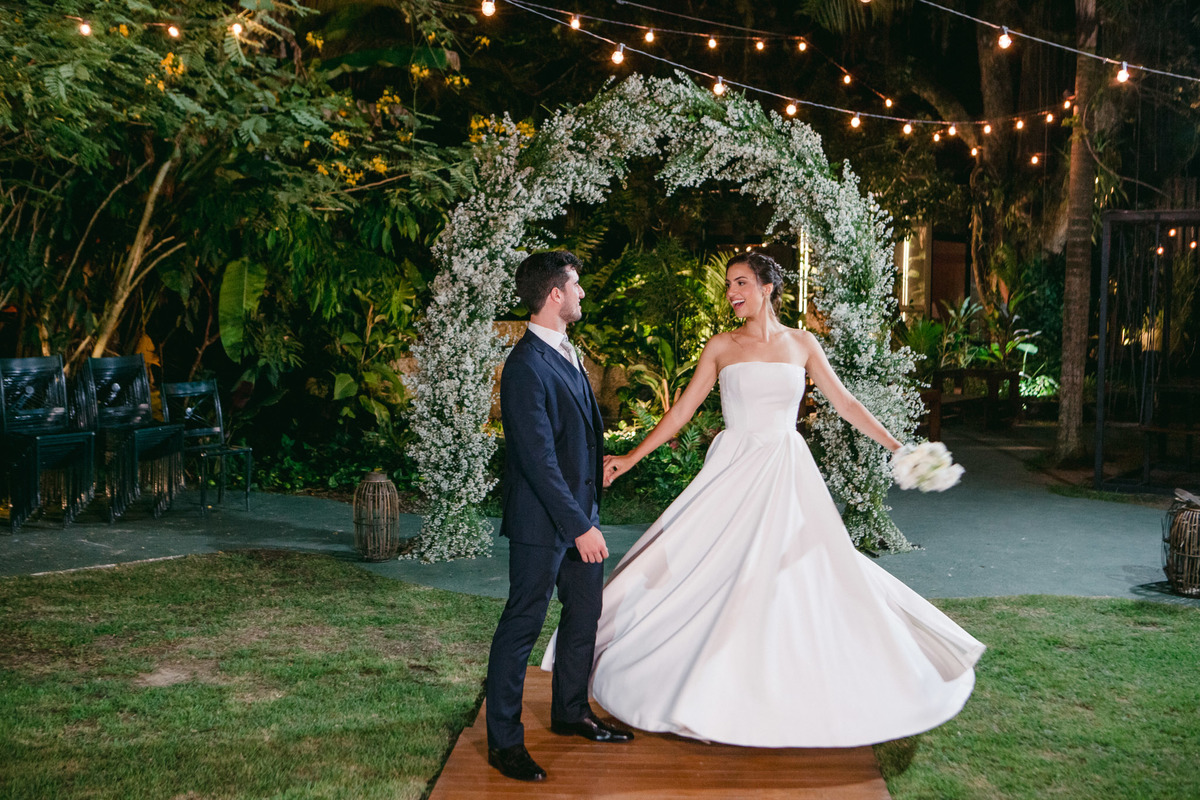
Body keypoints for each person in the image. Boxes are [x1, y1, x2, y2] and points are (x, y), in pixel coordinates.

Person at [545, 251, 985, 748]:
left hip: (786, 470)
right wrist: (631, 457)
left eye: (740, 282)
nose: (731, 292)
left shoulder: (802, 343)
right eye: (728, 284)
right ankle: (700, 683)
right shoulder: (721, 345)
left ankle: (783, 685)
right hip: (734, 468)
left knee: (796, 574)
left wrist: (899, 448)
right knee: (712, 568)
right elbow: (682, 412)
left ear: (767, 287)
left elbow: (845, 403)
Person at [485, 250, 633, 783]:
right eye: (576, 285)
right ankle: (504, 743)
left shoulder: (566, 351)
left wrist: (596, 471)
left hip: (579, 513)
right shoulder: (525, 365)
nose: (582, 293)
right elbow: (536, 460)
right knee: (522, 624)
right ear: (554, 294)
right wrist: (580, 527)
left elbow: (570, 437)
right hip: (542, 524)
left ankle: (570, 712)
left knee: (583, 616)